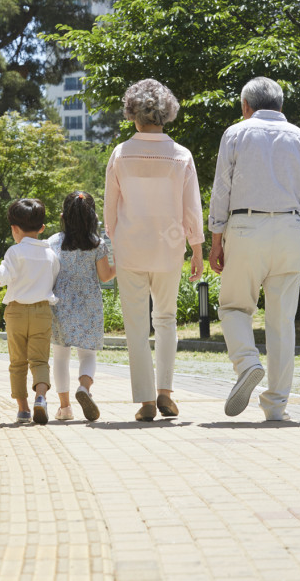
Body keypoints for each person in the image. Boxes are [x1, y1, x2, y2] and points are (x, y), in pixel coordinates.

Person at [208, 76, 300, 421]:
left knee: (233, 307)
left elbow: (221, 190)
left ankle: (246, 364)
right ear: (281, 106)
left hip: (245, 227)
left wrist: (216, 239)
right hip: (290, 229)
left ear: (246, 107)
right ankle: (276, 406)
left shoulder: (235, 134)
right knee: (282, 322)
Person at [104, 79, 204, 422]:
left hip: (130, 248)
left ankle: (145, 400)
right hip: (169, 247)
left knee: (135, 324)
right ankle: (165, 392)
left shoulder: (121, 153)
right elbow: (192, 208)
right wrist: (197, 248)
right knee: (165, 319)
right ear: (167, 114)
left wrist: (112, 246)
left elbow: (110, 209)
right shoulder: (181, 155)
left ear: (132, 113)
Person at [0, 199, 59, 425]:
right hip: (42, 311)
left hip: (16, 313)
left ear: (14, 229)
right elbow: (53, 282)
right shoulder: (51, 255)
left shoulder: (15, 252)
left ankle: (23, 410)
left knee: (17, 362)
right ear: (42, 228)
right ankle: (41, 397)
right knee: (40, 360)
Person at [47, 191, 115, 422]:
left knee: (60, 356)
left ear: (63, 216)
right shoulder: (97, 244)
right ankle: (84, 388)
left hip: (60, 303)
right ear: (92, 218)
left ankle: (65, 407)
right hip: (89, 304)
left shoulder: (53, 242)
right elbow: (105, 276)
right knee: (87, 354)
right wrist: (121, 265)